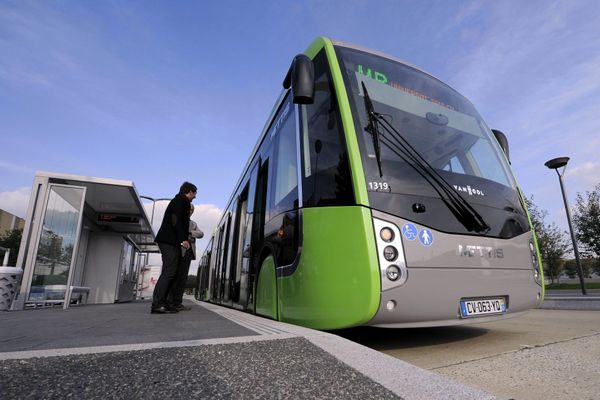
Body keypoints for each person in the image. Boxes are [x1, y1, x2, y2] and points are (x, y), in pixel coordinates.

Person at [151, 181, 196, 314]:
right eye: (194, 194)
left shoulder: (178, 201)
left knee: (173, 273)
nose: (195, 197)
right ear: (190, 191)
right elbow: (176, 219)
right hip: (169, 241)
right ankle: (157, 304)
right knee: (169, 273)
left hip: (171, 242)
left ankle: (166, 303)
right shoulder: (181, 201)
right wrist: (183, 239)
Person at [167, 204, 203, 311]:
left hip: (188, 253)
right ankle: (169, 301)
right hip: (177, 252)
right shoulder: (177, 220)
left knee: (182, 278)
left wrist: (190, 232)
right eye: (188, 209)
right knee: (174, 276)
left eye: (192, 210)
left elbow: (201, 234)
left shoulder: (193, 223)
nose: (190, 211)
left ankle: (178, 302)